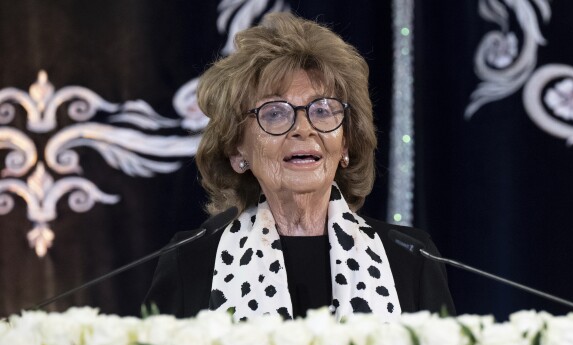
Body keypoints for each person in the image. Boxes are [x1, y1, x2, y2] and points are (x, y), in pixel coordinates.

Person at [145, 12, 454, 321]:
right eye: (275, 113)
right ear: (236, 147)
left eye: (322, 110)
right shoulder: (191, 261)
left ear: (345, 143)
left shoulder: (411, 258)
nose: (303, 129)